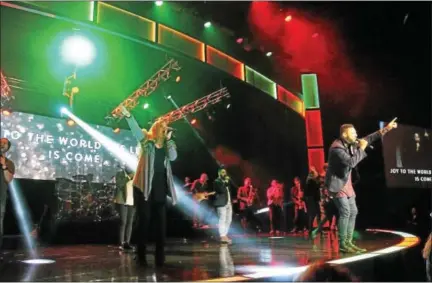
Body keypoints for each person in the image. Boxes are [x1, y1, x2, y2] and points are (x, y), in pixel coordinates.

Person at [325, 119, 397, 253]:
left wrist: (387, 128)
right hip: (336, 183)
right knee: (345, 211)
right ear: (344, 135)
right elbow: (351, 163)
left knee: (353, 211)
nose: (356, 134)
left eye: (355, 132)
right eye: (353, 133)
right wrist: (363, 147)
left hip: (346, 182)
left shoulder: (352, 143)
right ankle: (342, 244)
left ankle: (348, 242)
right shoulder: (336, 148)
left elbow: (371, 137)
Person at [120, 106, 178, 267]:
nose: (165, 130)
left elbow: (173, 157)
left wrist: (169, 139)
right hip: (144, 188)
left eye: (166, 128)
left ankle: (160, 258)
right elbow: (136, 130)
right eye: (164, 127)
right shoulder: (147, 142)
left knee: (161, 227)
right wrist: (129, 116)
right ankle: (141, 256)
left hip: (159, 190)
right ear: (157, 129)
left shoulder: (167, 147)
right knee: (143, 223)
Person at [114, 167, 136, 251]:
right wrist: (128, 177)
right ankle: (121, 243)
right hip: (122, 200)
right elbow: (119, 184)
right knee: (123, 221)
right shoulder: (119, 174)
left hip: (132, 200)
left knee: (130, 222)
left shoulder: (135, 174)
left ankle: (127, 242)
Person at [0, 138, 15, 253]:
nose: (2, 144)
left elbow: (8, 179)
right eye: (0, 142)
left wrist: (4, 165)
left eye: (4, 143)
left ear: (8, 148)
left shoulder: (9, 163)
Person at [213, 168, 233, 244]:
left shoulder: (226, 182)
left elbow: (229, 191)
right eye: (222, 172)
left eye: (225, 172)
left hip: (228, 203)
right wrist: (226, 182)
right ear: (219, 173)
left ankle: (224, 235)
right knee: (222, 219)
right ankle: (222, 236)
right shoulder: (216, 181)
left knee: (229, 220)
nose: (224, 173)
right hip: (221, 203)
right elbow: (221, 190)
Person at [305, 167, 321, 236]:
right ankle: (310, 230)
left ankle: (319, 229)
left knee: (318, 213)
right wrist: (314, 171)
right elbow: (317, 186)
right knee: (312, 214)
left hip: (315, 199)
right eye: (314, 174)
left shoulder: (312, 180)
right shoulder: (310, 181)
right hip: (311, 199)